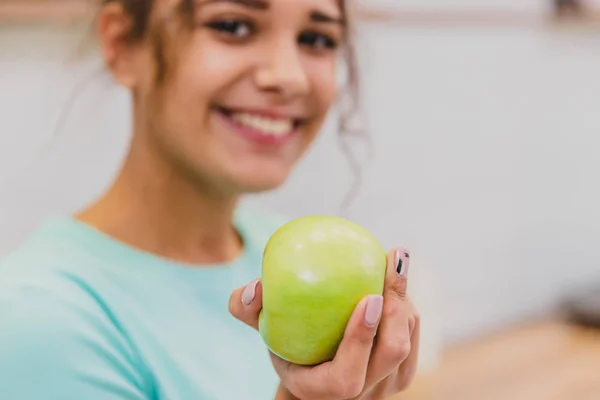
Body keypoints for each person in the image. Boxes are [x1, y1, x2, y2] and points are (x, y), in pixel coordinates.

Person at [0, 0, 420, 399]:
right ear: (124, 45)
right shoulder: (39, 320)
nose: (289, 76)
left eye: (316, 39)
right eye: (233, 26)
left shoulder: (272, 240)